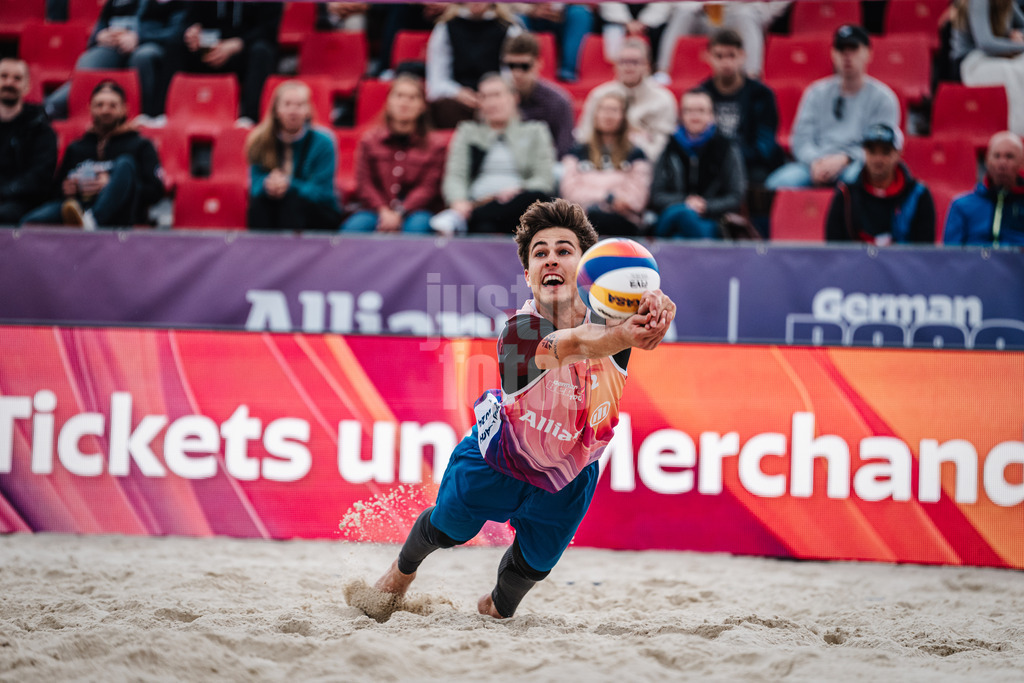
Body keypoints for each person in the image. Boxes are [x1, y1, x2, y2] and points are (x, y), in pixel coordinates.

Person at [348, 198, 676, 622]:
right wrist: (626, 336)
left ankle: (492, 606)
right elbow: (577, 344)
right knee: (446, 529)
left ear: (588, 269)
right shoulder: (519, 332)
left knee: (524, 581)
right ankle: (399, 574)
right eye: (540, 253)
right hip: (498, 459)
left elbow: (635, 326)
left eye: (564, 250)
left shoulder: (616, 319)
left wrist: (659, 313)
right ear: (528, 275)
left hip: (570, 476)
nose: (551, 259)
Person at [765, 25, 900, 191]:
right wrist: (817, 162)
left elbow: (883, 148)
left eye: (853, 49)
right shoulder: (816, 92)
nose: (847, 56)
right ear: (832, 54)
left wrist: (845, 159)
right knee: (777, 183)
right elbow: (800, 140)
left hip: (857, 164)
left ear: (869, 53)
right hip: (815, 164)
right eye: (841, 49)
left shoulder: (883, 98)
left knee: (856, 181)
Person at [21, 81, 163, 230]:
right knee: (29, 223)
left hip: (121, 213)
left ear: (124, 109)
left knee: (125, 164)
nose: (105, 110)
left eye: (112, 105)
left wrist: (112, 186)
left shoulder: (141, 145)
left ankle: (92, 222)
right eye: (99, 105)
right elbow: (54, 192)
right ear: (90, 108)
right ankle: (88, 223)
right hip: (79, 209)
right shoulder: (76, 147)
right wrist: (67, 189)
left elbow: (155, 193)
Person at [438, 73, 555, 234]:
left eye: (497, 95)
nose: (491, 102)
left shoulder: (535, 131)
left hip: (520, 202)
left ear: (514, 97)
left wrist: (517, 190)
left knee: (538, 198)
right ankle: (473, 215)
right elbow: (456, 175)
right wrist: (458, 202)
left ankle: (469, 218)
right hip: (479, 201)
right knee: (485, 228)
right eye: (485, 97)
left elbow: (544, 179)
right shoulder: (468, 132)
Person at [43, 0, 187, 121]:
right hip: (113, 47)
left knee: (143, 56)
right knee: (90, 59)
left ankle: (143, 117)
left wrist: (140, 37)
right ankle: (54, 107)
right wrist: (101, 36)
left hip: (149, 46)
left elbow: (176, 33)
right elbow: (98, 31)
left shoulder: (171, 3)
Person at [342, 75, 447, 234]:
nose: (405, 102)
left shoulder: (436, 146)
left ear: (422, 106)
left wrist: (401, 212)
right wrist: (383, 211)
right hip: (376, 211)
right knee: (353, 229)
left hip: (417, 212)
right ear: (388, 102)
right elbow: (365, 185)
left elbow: (428, 188)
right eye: (399, 96)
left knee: (417, 228)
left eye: (412, 97)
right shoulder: (370, 141)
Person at [245, 81, 342, 232]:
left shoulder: (324, 142)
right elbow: (254, 185)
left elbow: (323, 192)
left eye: (299, 105)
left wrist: (289, 185)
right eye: (287, 104)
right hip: (275, 209)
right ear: (276, 110)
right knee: (259, 203)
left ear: (308, 110)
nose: (293, 110)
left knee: (291, 201)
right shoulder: (259, 140)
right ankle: (259, 250)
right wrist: (268, 184)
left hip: (317, 213)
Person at [650, 89, 746, 239]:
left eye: (701, 111)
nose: (695, 116)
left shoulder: (726, 148)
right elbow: (657, 195)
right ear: (681, 116)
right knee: (683, 214)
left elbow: (735, 196)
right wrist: (685, 203)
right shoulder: (670, 147)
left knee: (679, 237)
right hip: (671, 217)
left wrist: (706, 205)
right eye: (689, 111)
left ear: (712, 115)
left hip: (713, 219)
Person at [560, 87, 652, 236]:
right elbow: (570, 192)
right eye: (603, 109)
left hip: (623, 222)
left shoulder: (636, 153)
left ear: (624, 116)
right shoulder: (577, 151)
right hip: (583, 220)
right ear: (595, 114)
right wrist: (609, 198)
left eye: (614, 110)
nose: (608, 115)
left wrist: (596, 196)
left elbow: (637, 198)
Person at [826, 124, 936, 245]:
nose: (878, 158)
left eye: (885, 151)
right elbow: (834, 250)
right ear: (864, 152)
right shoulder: (845, 193)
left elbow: (925, 253)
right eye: (872, 151)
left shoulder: (919, 195)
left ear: (898, 153)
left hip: (903, 263)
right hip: (855, 263)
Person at [575, 38, 678, 162]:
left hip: (646, 164)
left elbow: (663, 145)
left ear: (647, 65)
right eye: (623, 61)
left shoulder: (663, 99)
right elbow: (584, 135)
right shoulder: (599, 95)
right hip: (601, 164)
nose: (628, 67)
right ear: (615, 65)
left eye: (635, 62)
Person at [180, 1, 283, 124]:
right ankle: (163, 114)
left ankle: (250, 119)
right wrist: (192, 29)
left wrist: (239, 43)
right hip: (208, 48)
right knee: (176, 44)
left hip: (245, 50)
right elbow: (190, 18)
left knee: (262, 51)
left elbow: (269, 30)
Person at [425, 3, 522, 129]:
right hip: (459, 100)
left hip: (497, 95)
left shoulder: (510, 29)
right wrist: (457, 93)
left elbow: (512, 78)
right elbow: (436, 82)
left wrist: (489, 96)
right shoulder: (445, 27)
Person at [656, 2, 790, 79]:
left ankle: (752, 74)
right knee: (683, 13)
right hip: (705, 16)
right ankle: (663, 72)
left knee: (746, 16)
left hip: (738, 16)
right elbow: (672, 5)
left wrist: (762, 10)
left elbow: (775, 6)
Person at [950, 0, 1024, 136]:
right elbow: (986, 43)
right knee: (1009, 72)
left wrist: (1016, 35)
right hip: (971, 61)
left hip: (997, 56)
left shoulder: (1007, 3)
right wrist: (1017, 45)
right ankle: (1015, 131)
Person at [0, 58, 57, 226]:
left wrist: (7, 191)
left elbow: (41, 175)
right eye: (3, 76)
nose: (9, 82)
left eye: (17, 78)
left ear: (27, 86)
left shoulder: (39, 127)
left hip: (23, 201)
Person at [501, 32, 576, 158]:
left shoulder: (557, 101)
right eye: (511, 66)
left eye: (525, 66)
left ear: (538, 64)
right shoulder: (498, 98)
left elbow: (564, 149)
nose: (517, 73)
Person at [944, 130, 1024, 246]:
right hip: (974, 263)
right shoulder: (962, 206)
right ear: (987, 161)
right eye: (996, 156)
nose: (1002, 163)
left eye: (1009, 156)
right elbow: (950, 257)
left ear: (1021, 162)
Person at [517, 2, 594, 82]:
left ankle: (568, 71)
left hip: (565, 14)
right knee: (516, 18)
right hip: (529, 15)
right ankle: (524, 68)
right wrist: (530, 10)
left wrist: (561, 7)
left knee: (579, 14)